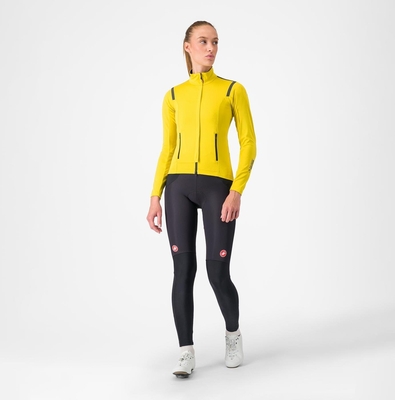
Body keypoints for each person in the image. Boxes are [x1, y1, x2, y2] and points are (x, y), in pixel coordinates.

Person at [146, 20, 257, 378]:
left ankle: (233, 335)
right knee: (183, 271)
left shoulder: (232, 90)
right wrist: (155, 195)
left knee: (217, 271)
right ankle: (186, 351)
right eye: (204, 42)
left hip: (218, 187)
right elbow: (167, 149)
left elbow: (249, 143)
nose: (211, 48)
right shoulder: (173, 96)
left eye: (215, 42)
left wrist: (236, 190)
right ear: (188, 47)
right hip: (177, 186)